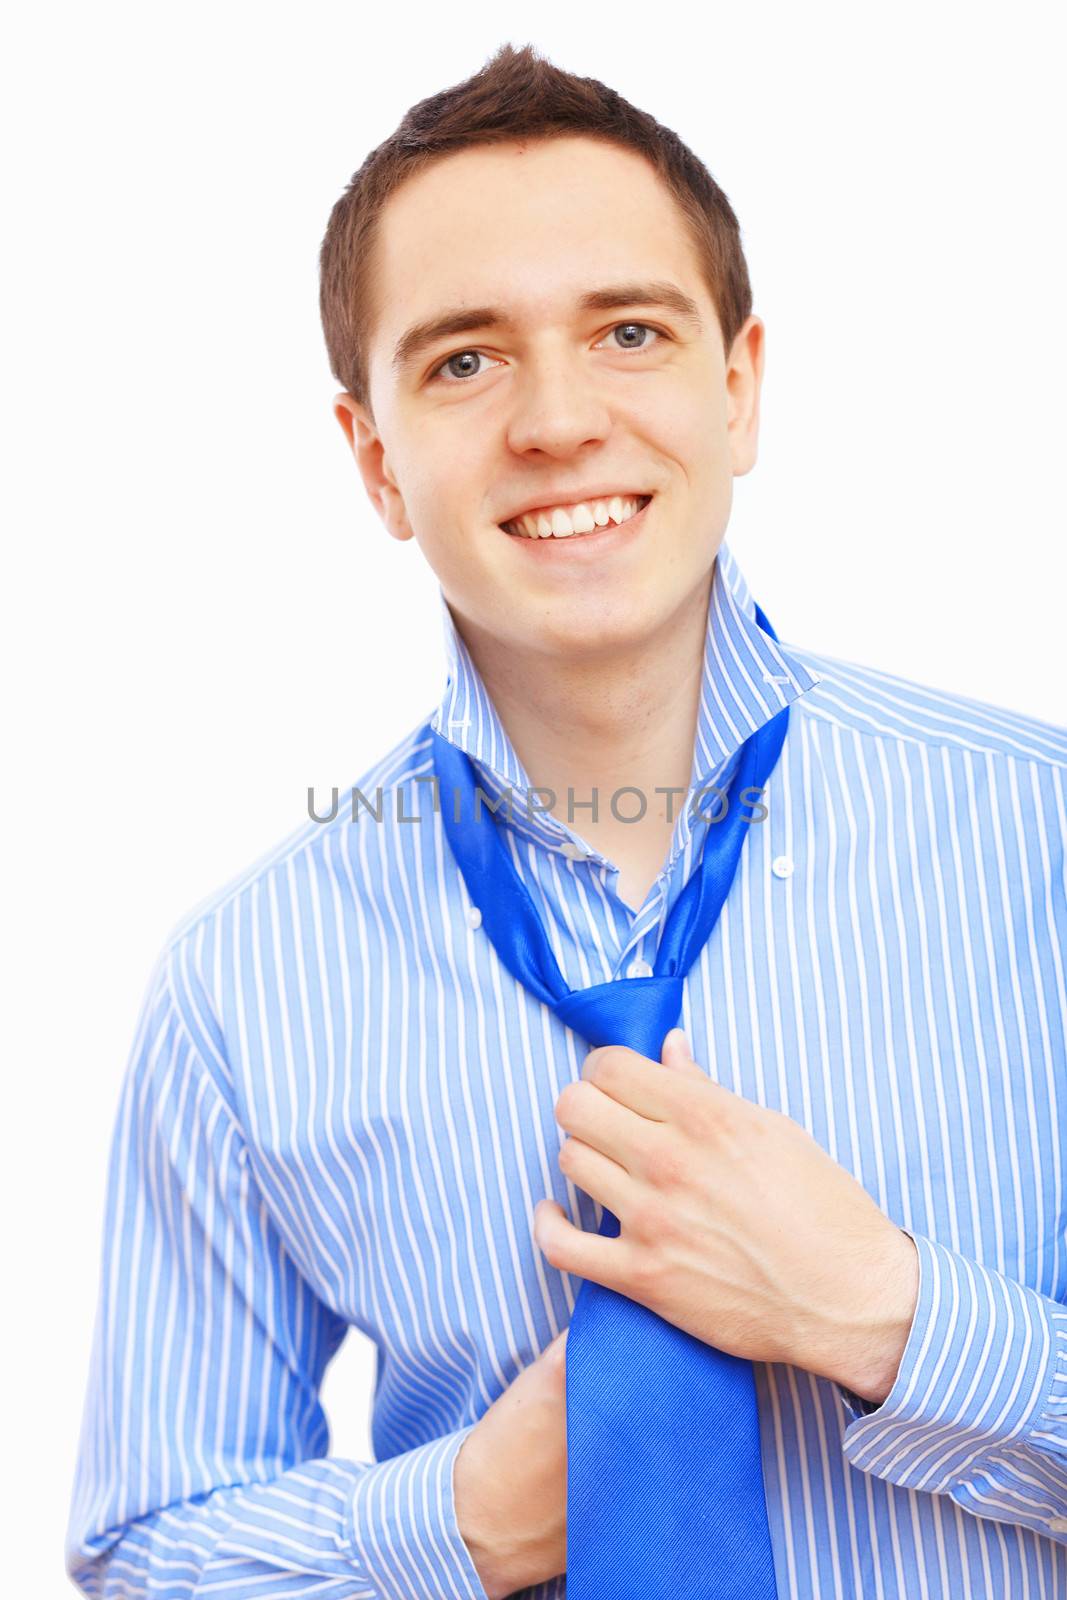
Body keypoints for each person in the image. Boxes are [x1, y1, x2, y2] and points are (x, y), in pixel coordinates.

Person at [66, 41, 1067, 1600]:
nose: (556, 419)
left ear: (737, 390)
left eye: (628, 332)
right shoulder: (239, 985)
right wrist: (458, 1522)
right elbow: (145, 1546)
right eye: (464, 360)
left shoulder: (1044, 840)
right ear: (375, 459)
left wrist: (889, 1318)